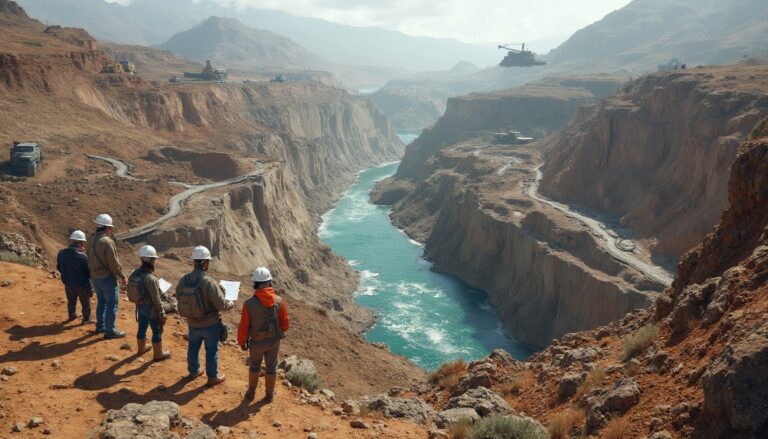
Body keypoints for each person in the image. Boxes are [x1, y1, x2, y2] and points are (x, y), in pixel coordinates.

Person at [176, 245, 233, 386]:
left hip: (192, 323)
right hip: (209, 324)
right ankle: (212, 377)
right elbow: (221, 305)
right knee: (211, 350)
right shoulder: (209, 283)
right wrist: (230, 303)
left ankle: (194, 371)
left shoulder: (184, 279)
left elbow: (178, 295)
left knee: (193, 347)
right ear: (206, 263)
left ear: (194, 262)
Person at [237, 266, 289, 402]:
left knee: (254, 366)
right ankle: (269, 395)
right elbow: (285, 322)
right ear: (269, 282)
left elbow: (244, 326)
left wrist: (242, 342)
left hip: (256, 343)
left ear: (255, 283)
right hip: (273, 342)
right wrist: (281, 332)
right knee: (271, 367)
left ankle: (251, 392)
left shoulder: (248, 304)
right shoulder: (279, 301)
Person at [127, 245, 171, 361]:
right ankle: (158, 354)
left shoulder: (134, 273)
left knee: (142, 328)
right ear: (151, 260)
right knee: (156, 331)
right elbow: (156, 299)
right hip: (151, 309)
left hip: (140, 307)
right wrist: (161, 312)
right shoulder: (151, 279)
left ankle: (141, 349)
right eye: (154, 259)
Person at [88, 213, 127, 339]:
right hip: (106, 278)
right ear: (107, 228)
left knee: (101, 302)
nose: (111, 231)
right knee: (111, 304)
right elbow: (114, 263)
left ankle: (100, 327)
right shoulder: (107, 242)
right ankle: (110, 331)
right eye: (111, 228)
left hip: (94, 277)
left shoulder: (90, 239)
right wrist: (122, 275)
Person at [56, 230, 92, 324]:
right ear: (81, 243)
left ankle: (72, 316)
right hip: (82, 285)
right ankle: (86, 319)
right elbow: (88, 273)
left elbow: (59, 267)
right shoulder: (84, 257)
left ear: (71, 241)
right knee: (85, 303)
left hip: (68, 283)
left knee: (71, 301)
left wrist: (67, 275)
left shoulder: (61, 253)